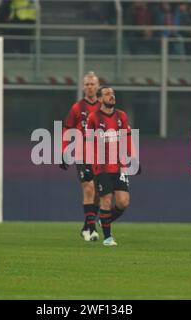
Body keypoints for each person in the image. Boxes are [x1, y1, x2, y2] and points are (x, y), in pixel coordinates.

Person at [86, 86, 140, 246]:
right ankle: (108, 237)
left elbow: (128, 138)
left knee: (123, 202)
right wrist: (88, 164)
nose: (112, 96)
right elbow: (88, 143)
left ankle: (104, 222)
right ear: (100, 99)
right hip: (101, 166)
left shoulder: (121, 116)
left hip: (119, 166)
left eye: (113, 94)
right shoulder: (93, 117)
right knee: (106, 200)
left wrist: (134, 158)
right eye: (107, 94)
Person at [60, 72, 101, 242]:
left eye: (93, 84)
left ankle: (86, 226)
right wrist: (63, 151)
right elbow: (66, 129)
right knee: (89, 188)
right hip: (82, 153)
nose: (90, 87)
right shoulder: (77, 108)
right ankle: (91, 229)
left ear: (97, 86)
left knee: (99, 192)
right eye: (87, 84)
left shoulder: (103, 107)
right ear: (83, 87)